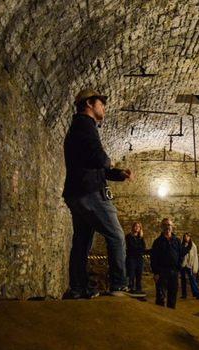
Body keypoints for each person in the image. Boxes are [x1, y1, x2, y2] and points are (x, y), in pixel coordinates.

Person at [62, 89, 132, 299]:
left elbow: (92, 164)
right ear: (90, 104)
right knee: (116, 236)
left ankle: (78, 288)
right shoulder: (85, 125)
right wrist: (108, 161)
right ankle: (119, 285)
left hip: (76, 192)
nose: (104, 107)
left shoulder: (77, 127)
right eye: (101, 103)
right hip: (91, 192)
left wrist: (118, 174)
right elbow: (98, 158)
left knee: (82, 242)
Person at [150, 218, 190, 308]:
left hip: (174, 272)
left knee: (172, 296)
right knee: (161, 297)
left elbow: (181, 254)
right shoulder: (157, 242)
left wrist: (178, 267)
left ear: (172, 227)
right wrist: (156, 272)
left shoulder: (177, 241)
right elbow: (154, 258)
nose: (167, 227)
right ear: (162, 227)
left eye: (169, 225)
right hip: (162, 272)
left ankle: (171, 315)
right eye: (165, 225)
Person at [180, 233, 199, 300]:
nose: (186, 238)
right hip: (183, 265)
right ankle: (184, 294)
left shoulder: (193, 246)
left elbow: (194, 257)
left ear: (189, 237)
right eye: (185, 237)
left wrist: (194, 267)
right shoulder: (182, 245)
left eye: (187, 237)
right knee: (183, 280)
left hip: (190, 265)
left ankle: (197, 293)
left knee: (192, 279)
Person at [125, 222, 147, 294]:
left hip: (139, 258)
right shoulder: (128, 236)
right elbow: (131, 247)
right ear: (133, 227)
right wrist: (139, 249)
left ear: (140, 228)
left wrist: (139, 249)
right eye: (136, 226)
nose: (137, 228)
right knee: (131, 274)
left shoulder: (141, 237)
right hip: (131, 258)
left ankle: (138, 289)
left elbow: (144, 247)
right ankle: (131, 289)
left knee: (139, 274)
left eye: (139, 226)